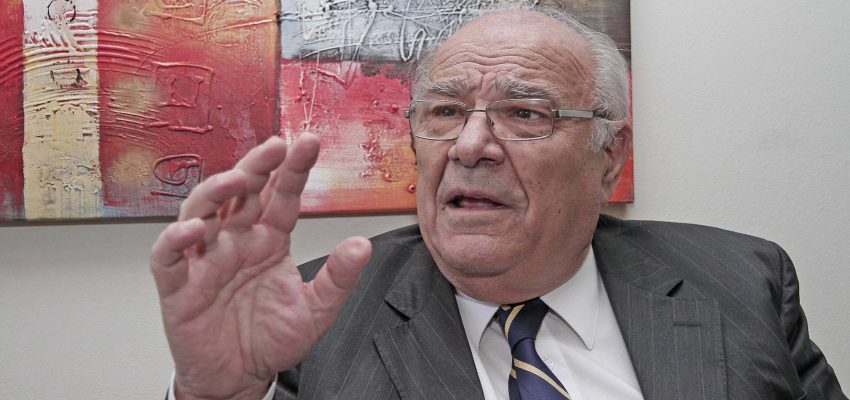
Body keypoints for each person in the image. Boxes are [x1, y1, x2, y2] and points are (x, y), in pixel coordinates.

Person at [151, 6, 847, 400]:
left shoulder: (741, 282)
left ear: (609, 155)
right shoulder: (315, 320)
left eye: (525, 113)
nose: (470, 145)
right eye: (445, 112)